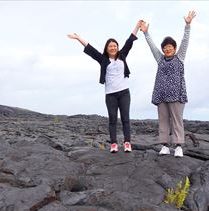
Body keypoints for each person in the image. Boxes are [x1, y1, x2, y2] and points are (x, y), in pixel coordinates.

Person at [67, 20, 143, 153]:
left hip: (124, 92)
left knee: (125, 118)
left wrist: (137, 26)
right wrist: (78, 38)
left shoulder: (122, 55)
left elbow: (130, 40)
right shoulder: (103, 59)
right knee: (112, 119)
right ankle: (113, 144)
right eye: (110, 46)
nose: (113, 48)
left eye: (115, 46)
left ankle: (127, 143)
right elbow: (90, 49)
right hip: (110, 94)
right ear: (107, 48)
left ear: (117, 47)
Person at [140, 11, 196, 158]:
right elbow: (152, 47)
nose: (167, 48)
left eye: (170, 46)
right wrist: (146, 33)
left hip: (177, 95)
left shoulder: (180, 57)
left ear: (174, 48)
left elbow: (185, 41)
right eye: (165, 47)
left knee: (177, 121)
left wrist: (188, 25)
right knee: (163, 121)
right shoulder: (160, 59)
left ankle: (178, 147)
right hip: (161, 94)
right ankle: (164, 146)